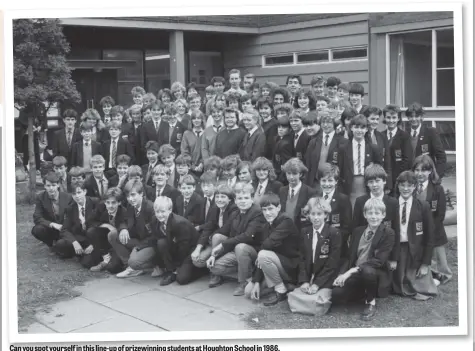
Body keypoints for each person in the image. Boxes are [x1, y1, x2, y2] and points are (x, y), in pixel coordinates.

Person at [332, 198, 396, 320]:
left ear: (383, 215)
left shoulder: (388, 233)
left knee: (367, 270)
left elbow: (379, 261)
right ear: (364, 215)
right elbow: (349, 257)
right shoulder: (357, 231)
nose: (373, 217)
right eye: (370, 213)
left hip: (375, 273)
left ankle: (370, 301)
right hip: (356, 272)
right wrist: (342, 274)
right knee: (336, 295)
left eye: (377, 213)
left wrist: (350, 272)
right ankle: (361, 292)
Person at [206, 182, 266, 295]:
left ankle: (244, 281)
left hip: (254, 252)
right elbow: (223, 230)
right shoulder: (236, 213)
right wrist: (213, 255)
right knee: (214, 267)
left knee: (240, 247)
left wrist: (223, 245)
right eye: (240, 198)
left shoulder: (257, 213)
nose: (243, 201)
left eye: (246, 198)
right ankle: (245, 271)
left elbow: (247, 236)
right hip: (236, 250)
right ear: (235, 200)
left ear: (252, 199)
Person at [288, 197, 341, 315]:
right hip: (310, 275)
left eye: (319, 214)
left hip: (326, 276)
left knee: (318, 300)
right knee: (297, 295)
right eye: (313, 214)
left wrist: (317, 283)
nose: (316, 217)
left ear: (326, 215)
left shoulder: (333, 232)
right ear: (308, 215)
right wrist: (304, 281)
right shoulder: (305, 231)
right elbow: (301, 259)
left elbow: (332, 262)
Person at [246, 194, 301, 306]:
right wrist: (256, 281)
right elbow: (264, 250)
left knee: (263, 255)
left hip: (292, 267)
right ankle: (285, 285)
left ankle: (281, 290)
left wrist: (260, 256)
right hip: (275, 265)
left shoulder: (286, 221)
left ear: (279, 207)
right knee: (248, 292)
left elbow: (268, 244)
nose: (267, 213)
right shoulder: (267, 226)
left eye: (270, 209)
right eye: (264, 210)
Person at [392, 171, 437, 300]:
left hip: (415, 250)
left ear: (415, 186)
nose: (406, 189)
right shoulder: (392, 204)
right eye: (402, 185)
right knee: (398, 285)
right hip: (397, 249)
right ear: (398, 186)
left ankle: (429, 276)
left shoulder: (423, 206)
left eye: (410, 185)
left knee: (419, 283)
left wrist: (425, 264)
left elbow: (429, 237)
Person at [413, 155, 451, 285]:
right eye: (417, 170)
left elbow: (440, 213)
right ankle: (431, 273)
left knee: (437, 252)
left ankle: (444, 274)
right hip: (417, 228)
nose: (420, 174)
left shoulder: (437, 189)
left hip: (435, 227)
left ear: (430, 171)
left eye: (424, 170)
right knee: (427, 254)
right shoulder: (410, 188)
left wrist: (431, 229)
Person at [352, 164, 400, 270]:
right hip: (365, 250)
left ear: (384, 181)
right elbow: (355, 229)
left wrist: (394, 258)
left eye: (377, 181)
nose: (374, 185)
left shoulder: (393, 202)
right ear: (367, 184)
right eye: (371, 182)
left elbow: (396, 229)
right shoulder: (360, 202)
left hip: (385, 251)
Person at [151, 196, 205, 285]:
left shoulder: (179, 223)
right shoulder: (155, 220)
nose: (160, 215)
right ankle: (170, 271)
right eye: (157, 212)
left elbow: (184, 247)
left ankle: (201, 270)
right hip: (176, 247)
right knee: (161, 243)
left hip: (190, 250)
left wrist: (178, 265)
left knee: (182, 279)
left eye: (163, 211)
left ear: (170, 210)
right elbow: (157, 238)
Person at [191, 182, 239, 277]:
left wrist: (211, 236)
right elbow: (209, 227)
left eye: (223, 197)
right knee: (197, 261)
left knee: (217, 236)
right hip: (215, 242)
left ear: (229, 199)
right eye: (217, 197)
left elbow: (226, 229)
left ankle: (216, 274)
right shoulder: (215, 208)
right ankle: (214, 267)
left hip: (228, 242)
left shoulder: (234, 209)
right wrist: (198, 248)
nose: (219, 200)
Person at [113, 179, 155, 278]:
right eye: (128, 196)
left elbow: (155, 236)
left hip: (150, 244)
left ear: (141, 194)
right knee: (113, 235)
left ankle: (146, 265)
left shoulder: (150, 208)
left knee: (134, 261)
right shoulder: (131, 206)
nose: (130, 199)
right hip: (138, 240)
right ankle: (130, 267)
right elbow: (124, 220)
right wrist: (124, 228)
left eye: (133, 195)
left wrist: (138, 247)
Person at [53, 181, 101, 268]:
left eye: (79, 192)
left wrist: (94, 244)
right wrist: (75, 242)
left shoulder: (95, 203)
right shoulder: (70, 208)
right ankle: (78, 252)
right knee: (60, 244)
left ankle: (86, 254)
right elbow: (64, 229)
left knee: (87, 263)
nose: (77, 196)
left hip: (95, 238)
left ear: (85, 191)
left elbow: (102, 224)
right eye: (74, 194)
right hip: (80, 238)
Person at [337, 115, 382, 206]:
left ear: (366, 130)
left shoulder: (373, 148)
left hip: (367, 184)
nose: (359, 130)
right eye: (356, 127)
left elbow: (379, 169)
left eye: (362, 128)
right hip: (350, 185)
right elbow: (340, 170)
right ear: (351, 128)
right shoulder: (343, 148)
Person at [317, 163, 352, 263]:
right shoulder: (315, 198)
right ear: (319, 181)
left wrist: (332, 239)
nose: (327, 184)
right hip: (318, 245)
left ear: (336, 181)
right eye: (323, 180)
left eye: (330, 180)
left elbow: (347, 227)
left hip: (337, 247)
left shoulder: (343, 199)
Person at [87, 187, 128, 272]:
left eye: (113, 203)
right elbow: (90, 221)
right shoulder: (101, 207)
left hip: (117, 242)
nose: (110, 206)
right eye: (108, 202)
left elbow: (123, 225)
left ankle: (110, 260)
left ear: (119, 202)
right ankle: (106, 258)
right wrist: (106, 225)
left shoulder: (124, 212)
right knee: (87, 262)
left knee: (113, 268)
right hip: (103, 241)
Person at [405, 102, 447, 179]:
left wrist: (437, 175)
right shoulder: (404, 134)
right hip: (410, 179)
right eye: (411, 116)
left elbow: (441, 157)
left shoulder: (431, 132)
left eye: (417, 116)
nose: (414, 119)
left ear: (421, 117)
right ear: (408, 118)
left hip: (427, 177)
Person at [32, 172, 73, 248]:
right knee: (37, 229)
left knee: (62, 247)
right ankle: (50, 243)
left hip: (65, 228)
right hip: (50, 229)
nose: (51, 188)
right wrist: (52, 224)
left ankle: (61, 243)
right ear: (44, 186)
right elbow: (37, 217)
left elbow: (72, 216)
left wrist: (64, 227)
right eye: (48, 185)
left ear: (58, 185)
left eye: (53, 185)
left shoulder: (68, 197)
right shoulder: (40, 197)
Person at [304, 114, 345, 188]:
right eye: (323, 122)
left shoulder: (343, 142)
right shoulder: (313, 141)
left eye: (329, 122)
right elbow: (308, 164)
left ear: (334, 124)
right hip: (315, 183)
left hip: (333, 183)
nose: (325, 125)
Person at [279, 158, 318, 230]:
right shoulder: (282, 190)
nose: (291, 177)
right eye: (288, 173)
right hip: (284, 232)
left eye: (294, 173)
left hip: (301, 233)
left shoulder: (310, 192)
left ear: (300, 174)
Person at [382, 104, 413, 193]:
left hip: (399, 178)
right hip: (384, 179)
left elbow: (407, 160)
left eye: (394, 117)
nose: (391, 120)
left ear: (398, 118)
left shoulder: (405, 136)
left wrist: (399, 178)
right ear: (384, 118)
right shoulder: (381, 135)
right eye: (388, 117)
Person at [362, 106, 393, 191]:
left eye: (377, 119)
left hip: (379, 180)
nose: (375, 122)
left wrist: (388, 184)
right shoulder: (361, 135)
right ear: (366, 119)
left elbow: (387, 161)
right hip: (365, 179)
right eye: (372, 119)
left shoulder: (382, 136)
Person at [180, 110, 205, 175]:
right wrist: (192, 166)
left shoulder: (206, 133)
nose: (196, 120)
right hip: (190, 169)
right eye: (194, 118)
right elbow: (184, 152)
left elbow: (208, 151)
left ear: (202, 120)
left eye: (198, 118)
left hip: (205, 168)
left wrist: (202, 164)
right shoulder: (186, 134)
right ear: (191, 120)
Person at [273, 114, 294, 184]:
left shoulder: (286, 143)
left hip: (282, 176)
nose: (280, 129)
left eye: (283, 127)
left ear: (290, 129)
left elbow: (285, 165)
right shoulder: (278, 138)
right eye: (279, 127)